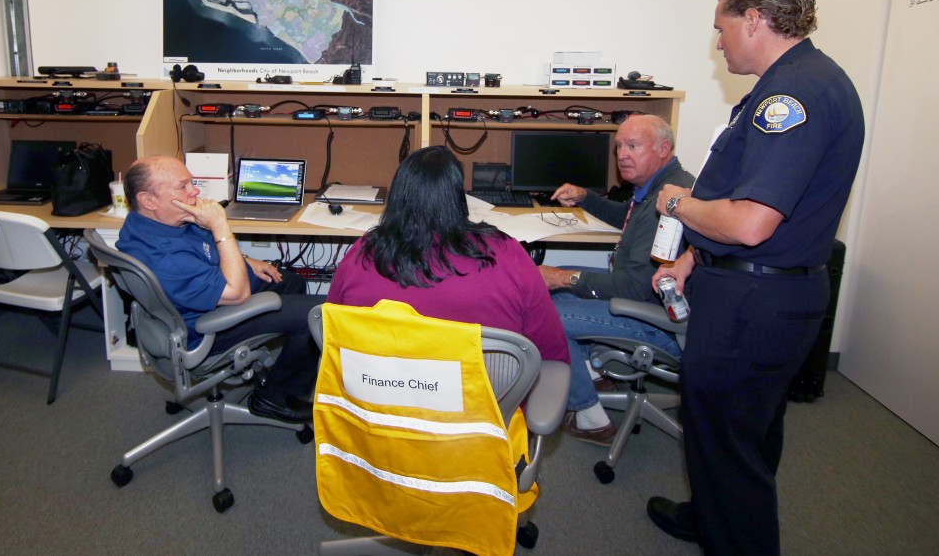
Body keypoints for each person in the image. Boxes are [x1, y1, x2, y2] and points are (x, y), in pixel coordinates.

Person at [647, 0, 865, 555]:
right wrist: (695, 256)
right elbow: (747, 198)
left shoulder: (792, 98)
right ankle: (708, 515)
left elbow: (749, 221)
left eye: (722, 29)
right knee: (746, 430)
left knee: (726, 440)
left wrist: (675, 201)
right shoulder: (802, 81)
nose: (718, 43)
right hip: (760, 290)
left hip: (753, 302)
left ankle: (734, 537)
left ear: (754, 19)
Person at [116, 155, 322, 424]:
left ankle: (278, 368)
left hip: (203, 293)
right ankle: (274, 399)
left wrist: (247, 261)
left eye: (192, 182)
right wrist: (219, 224)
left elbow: (206, 253)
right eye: (183, 186)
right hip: (205, 327)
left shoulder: (153, 222)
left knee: (288, 281)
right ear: (148, 200)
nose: (195, 191)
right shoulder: (166, 257)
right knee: (316, 314)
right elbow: (237, 294)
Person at [327, 145, 570, 365]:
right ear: (456, 197)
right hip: (482, 407)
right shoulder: (507, 255)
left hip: (377, 406)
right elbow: (551, 354)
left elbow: (333, 335)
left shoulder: (363, 252)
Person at [537, 114, 694, 445]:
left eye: (633, 146)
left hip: (655, 321)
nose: (621, 154)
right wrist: (585, 198)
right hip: (643, 302)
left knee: (545, 312)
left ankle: (591, 417)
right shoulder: (658, 188)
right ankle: (595, 377)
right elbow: (627, 219)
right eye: (619, 145)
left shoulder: (671, 201)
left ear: (664, 148)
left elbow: (636, 287)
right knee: (548, 292)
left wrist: (565, 278)